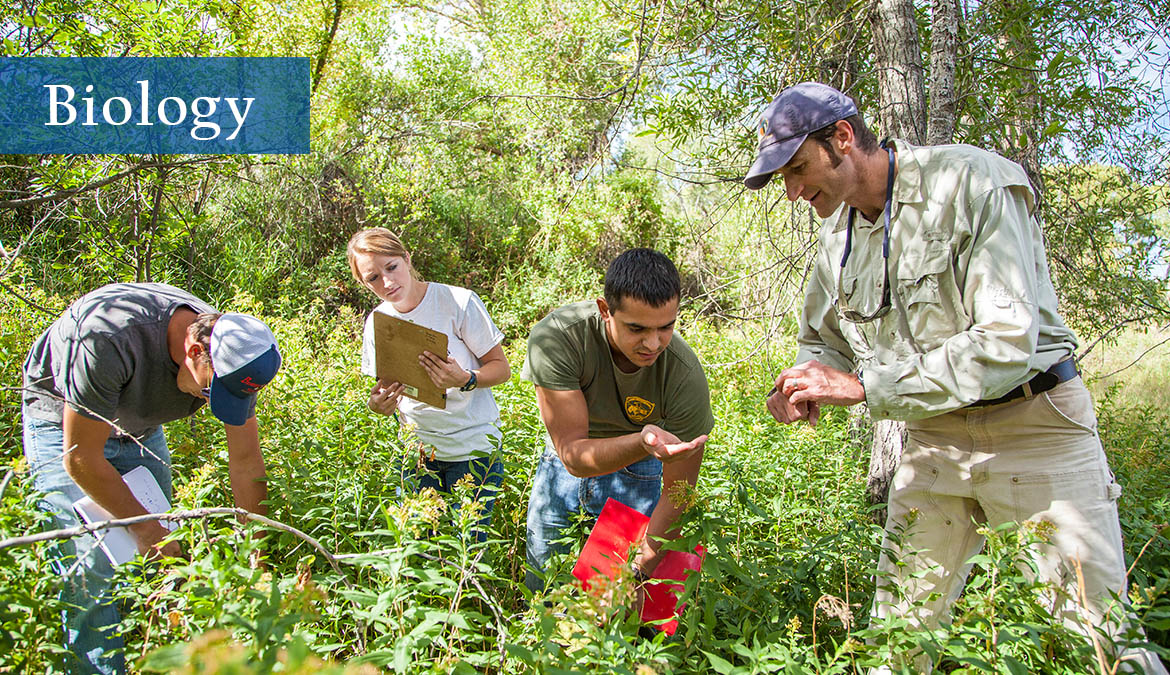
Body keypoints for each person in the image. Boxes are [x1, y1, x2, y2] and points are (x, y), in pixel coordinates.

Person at [745, 81, 1167, 673]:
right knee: (895, 640)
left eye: (797, 168)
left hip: (1037, 427)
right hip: (933, 441)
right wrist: (805, 384)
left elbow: (1007, 342)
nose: (792, 191)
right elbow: (823, 340)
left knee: (1096, 638)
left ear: (842, 138)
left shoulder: (971, 182)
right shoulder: (837, 234)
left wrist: (867, 387)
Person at [21, 282, 281, 674]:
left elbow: (245, 461)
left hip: (139, 426)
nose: (213, 401)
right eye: (212, 392)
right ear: (194, 351)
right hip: (63, 425)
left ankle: (151, 656)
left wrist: (255, 557)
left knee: (154, 563)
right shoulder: (110, 338)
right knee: (89, 572)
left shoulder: (237, 354)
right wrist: (146, 529)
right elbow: (81, 458)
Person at [523, 248, 714, 591]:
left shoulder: (684, 375)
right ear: (604, 310)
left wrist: (638, 571)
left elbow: (679, 493)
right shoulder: (558, 338)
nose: (653, 343)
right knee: (545, 593)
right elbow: (573, 455)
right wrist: (642, 441)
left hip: (639, 472)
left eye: (666, 327)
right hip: (564, 467)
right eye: (637, 328)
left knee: (613, 609)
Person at [348, 227, 510, 529]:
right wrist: (378, 404)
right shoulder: (378, 322)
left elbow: (501, 368)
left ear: (407, 258)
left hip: (472, 453)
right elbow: (385, 388)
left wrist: (465, 379)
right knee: (418, 553)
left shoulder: (457, 302)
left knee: (467, 555)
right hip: (418, 455)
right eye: (373, 278)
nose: (387, 282)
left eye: (392, 267)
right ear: (363, 283)